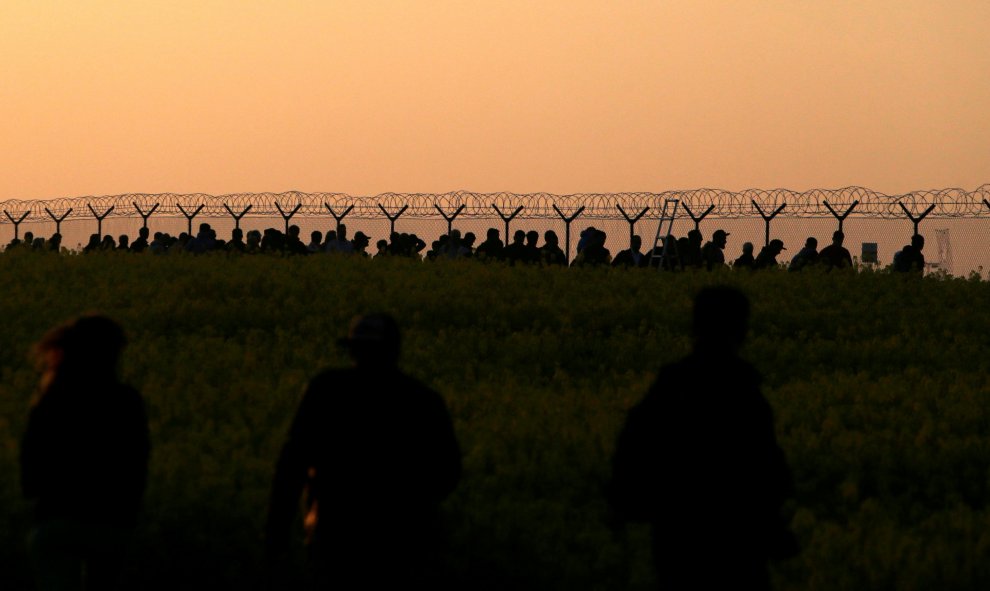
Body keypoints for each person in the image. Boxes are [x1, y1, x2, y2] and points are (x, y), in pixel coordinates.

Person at [608, 287, 796, 589]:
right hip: (737, 544)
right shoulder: (743, 390)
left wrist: (631, 509)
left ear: (694, 326)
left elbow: (632, 450)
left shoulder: (671, 386)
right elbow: (766, 470)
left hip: (678, 539)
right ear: (742, 330)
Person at [266, 314, 461, 588]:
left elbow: (292, 465)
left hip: (335, 537)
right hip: (405, 544)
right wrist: (409, 507)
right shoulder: (422, 399)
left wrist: (275, 539)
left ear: (352, 350)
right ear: (395, 350)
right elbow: (448, 473)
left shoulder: (327, 390)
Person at [20, 315, 150, 591]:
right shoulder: (127, 401)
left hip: (55, 525)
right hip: (112, 526)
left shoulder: (50, 401)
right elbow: (137, 467)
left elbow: (29, 476)